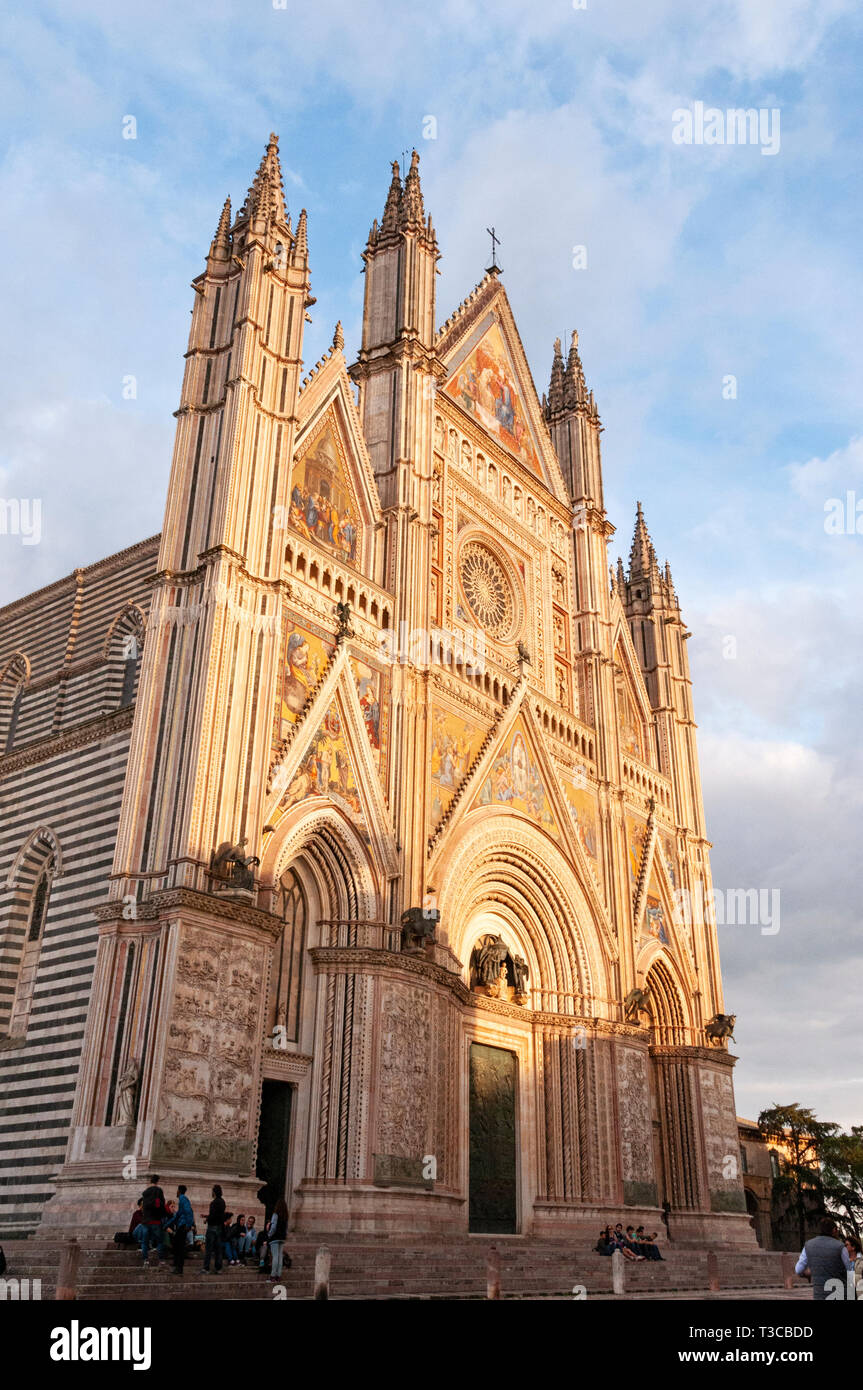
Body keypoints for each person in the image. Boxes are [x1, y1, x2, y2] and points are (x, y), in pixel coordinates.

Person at [795, 1217, 853, 1300]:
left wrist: (812, 1272)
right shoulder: (840, 1246)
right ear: (834, 1230)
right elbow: (849, 1270)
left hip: (819, 1295)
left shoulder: (808, 1245)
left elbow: (798, 1270)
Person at [139, 1174, 166, 1266]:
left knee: (145, 1242)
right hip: (156, 1221)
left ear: (151, 1181)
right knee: (159, 1241)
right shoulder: (159, 1191)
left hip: (146, 1221)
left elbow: (144, 1206)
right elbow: (162, 1205)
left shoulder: (145, 1192)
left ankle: (145, 1260)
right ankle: (161, 1260)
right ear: (158, 1181)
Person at [168, 1184, 194, 1277]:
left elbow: (189, 1212)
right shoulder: (182, 1200)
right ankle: (178, 1267)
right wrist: (166, 1225)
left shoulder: (183, 1199)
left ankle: (179, 1268)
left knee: (179, 1247)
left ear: (179, 1191)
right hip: (182, 1226)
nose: (176, 1192)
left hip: (183, 1226)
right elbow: (178, 1215)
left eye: (177, 1190)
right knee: (178, 1246)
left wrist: (188, 1225)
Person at [203, 1183, 226, 1274]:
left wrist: (206, 1219)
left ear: (214, 1192)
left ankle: (206, 1268)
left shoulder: (213, 1202)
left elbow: (213, 1216)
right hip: (220, 1227)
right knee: (218, 1249)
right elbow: (219, 1215)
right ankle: (218, 1268)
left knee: (209, 1248)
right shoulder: (222, 1202)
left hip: (212, 1227)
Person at [267, 1198, 288, 1282]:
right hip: (282, 1237)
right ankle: (278, 1275)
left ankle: (272, 1276)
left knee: (275, 1257)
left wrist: (269, 1235)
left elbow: (273, 1227)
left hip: (275, 1237)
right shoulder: (286, 1215)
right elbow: (286, 1227)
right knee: (280, 1257)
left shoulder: (275, 1214)